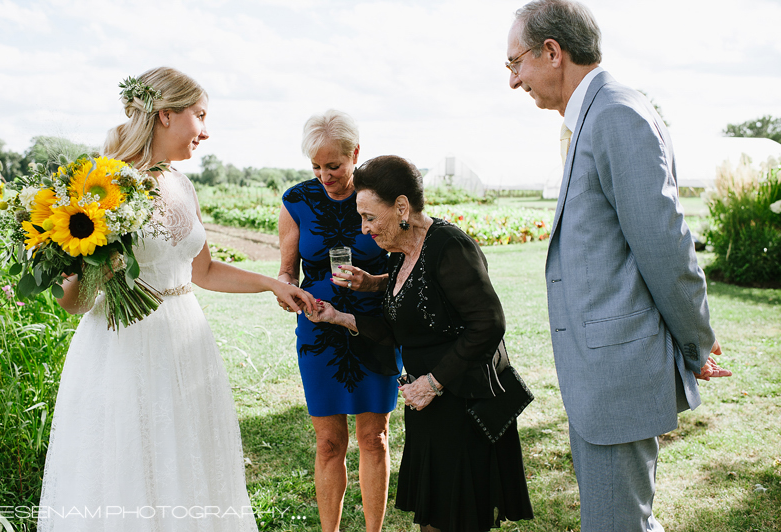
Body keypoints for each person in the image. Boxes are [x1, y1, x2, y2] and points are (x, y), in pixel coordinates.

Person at [38, 67, 315, 532]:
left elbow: (203, 271)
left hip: (185, 339)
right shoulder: (97, 186)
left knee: (189, 460)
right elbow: (72, 302)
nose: (205, 131)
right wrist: (99, 268)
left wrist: (271, 283)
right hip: (121, 346)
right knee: (129, 462)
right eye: (200, 116)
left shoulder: (182, 185)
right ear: (166, 115)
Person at [506, 2, 732, 531]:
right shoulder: (596, 114)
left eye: (515, 64)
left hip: (616, 375)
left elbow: (665, 245)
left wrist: (695, 341)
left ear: (553, 52)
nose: (514, 82)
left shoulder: (615, 114)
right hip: (599, 375)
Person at [308, 155, 534, 532]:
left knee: (454, 520)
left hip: (462, 405)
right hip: (430, 408)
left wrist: (432, 383)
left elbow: (489, 323)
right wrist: (339, 316)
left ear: (401, 207)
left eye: (369, 217)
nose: (364, 229)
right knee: (435, 519)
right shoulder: (402, 252)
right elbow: (401, 325)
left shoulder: (449, 247)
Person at [276, 109, 401, 532]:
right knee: (329, 444)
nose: (324, 176)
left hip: (375, 329)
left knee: (374, 438)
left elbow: (412, 272)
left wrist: (372, 282)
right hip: (319, 330)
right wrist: (285, 289)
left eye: (334, 166)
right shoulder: (296, 201)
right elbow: (287, 270)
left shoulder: (382, 196)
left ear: (356, 154)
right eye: (316, 166)